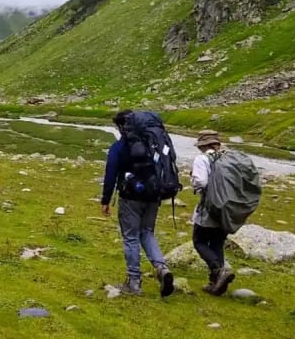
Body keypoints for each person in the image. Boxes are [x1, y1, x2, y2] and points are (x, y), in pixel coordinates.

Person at [101, 110, 174, 297]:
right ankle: (161, 267)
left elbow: (110, 174)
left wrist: (106, 200)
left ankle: (134, 281)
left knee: (131, 236)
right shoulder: (153, 144)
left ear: (120, 126)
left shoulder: (120, 147)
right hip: (154, 195)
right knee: (147, 232)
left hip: (130, 197)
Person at [191, 130, 235, 296]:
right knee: (217, 242)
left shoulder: (202, 159)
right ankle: (215, 284)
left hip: (210, 206)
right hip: (229, 207)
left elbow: (201, 181)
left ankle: (218, 271)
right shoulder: (229, 157)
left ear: (204, 145)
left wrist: (196, 185)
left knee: (199, 241)